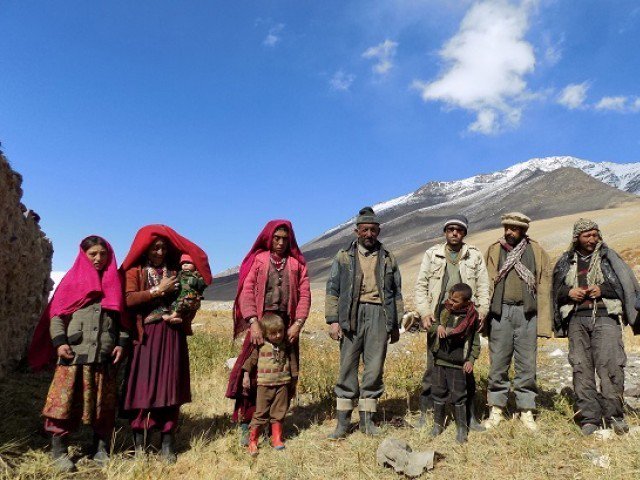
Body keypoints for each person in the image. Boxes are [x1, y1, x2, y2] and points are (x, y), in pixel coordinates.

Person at [28, 236, 130, 472]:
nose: (98, 259)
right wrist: (60, 342)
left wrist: (121, 344)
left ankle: (101, 447)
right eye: (93, 254)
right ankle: (59, 449)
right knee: (63, 404)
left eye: (103, 254)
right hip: (74, 354)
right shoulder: (72, 281)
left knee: (104, 405)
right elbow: (57, 315)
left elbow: (123, 319)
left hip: (104, 355)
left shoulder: (115, 283)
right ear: (83, 255)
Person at [121, 225, 212, 463]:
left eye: (163, 247)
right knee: (144, 387)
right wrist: (156, 291)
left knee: (170, 386)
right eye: (155, 247)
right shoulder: (135, 270)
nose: (160, 252)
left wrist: (186, 316)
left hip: (172, 335)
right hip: (148, 337)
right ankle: (140, 443)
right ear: (145, 249)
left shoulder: (176, 270)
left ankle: (167, 443)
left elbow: (191, 295)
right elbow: (129, 299)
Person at [226, 220, 310, 446]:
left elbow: (304, 294)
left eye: (285, 238)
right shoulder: (259, 261)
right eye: (277, 238)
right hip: (261, 324)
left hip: (286, 327)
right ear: (269, 239)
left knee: (283, 373)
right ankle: (247, 424)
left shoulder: (297, 264)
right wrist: (253, 322)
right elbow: (247, 291)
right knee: (252, 373)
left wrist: (298, 324)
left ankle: (275, 425)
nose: (281, 242)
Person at [553, 219, 640, 435]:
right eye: (587, 235)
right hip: (576, 319)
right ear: (577, 238)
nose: (592, 239)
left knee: (611, 366)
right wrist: (569, 293)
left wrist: (602, 289)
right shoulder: (566, 260)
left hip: (605, 317)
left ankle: (615, 415)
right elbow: (555, 290)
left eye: (595, 235)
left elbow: (624, 285)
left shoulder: (609, 259)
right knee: (581, 367)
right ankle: (589, 417)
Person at [326, 207, 403, 439]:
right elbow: (332, 290)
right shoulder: (342, 256)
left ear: (378, 231)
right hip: (351, 314)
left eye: (373, 230)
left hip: (379, 314)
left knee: (374, 367)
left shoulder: (388, 257)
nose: (369, 234)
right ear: (356, 231)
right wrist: (333, 320)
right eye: (364, 230)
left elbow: (397, 292)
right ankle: (343, 423)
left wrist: (396, 323)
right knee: (347, 366)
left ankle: (367, 421)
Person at [414, 214, 489, 431]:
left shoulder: (473, 255)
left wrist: (482, 310)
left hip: (466, 317)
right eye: (450, 229)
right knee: (433, 366)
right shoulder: (432, 254)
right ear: (445, 232)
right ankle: (428, 414)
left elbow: (483, 284)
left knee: (466, 367)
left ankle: (469, 415)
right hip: (439, 316)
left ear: (464, 233)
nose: (454, 233)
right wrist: (425, 312)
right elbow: (421, 285)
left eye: (459, 230)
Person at [483, 212, 552, 431]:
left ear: (523, 231)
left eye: (514, 228)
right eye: (507, 227)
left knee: (527, 363)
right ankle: (496, 408)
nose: (509, 232)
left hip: (527, 313)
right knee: (498, 363)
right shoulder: (494, 250)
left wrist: (544, 322)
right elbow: (485, 283)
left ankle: (526, 410)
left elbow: (544, 284)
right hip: (500, 313)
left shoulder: (537, 251)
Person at [428, 283, 481, 444]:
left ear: (466, 302)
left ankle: (461, 429)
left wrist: (471, 360)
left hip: (458, 364)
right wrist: (437, 328)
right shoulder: (443, 310)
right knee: (438, 391)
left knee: (459, 395)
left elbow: (476, 343)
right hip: (440, 361)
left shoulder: (471, 318)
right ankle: (437, 425)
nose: (450, 302)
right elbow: (432, 325)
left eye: (455, 301)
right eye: (450, 298)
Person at [241, 313, 295, 455]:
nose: (278, 335)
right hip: (264, 385)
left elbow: (293, 363)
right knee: (261, 413)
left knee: (279, 412)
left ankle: (276, 438)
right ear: (265, 333)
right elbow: (250, 362)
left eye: (280, 331)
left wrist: (294, 380)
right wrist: (246, 376)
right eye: (273, 333)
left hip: (282, 384)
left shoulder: (286, 345)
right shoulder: (261, 346)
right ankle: (253, 441)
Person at [161, 254, 208, 328]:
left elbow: (204, 283)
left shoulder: (197, 274)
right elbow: (177, 281)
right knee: (175, 302)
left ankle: (174, 315)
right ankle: (176, 317)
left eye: (188, 263)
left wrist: (195, 281)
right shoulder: (180, 274)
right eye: (183, 263)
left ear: (195, 265)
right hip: (182, 295)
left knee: (182, 303)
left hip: (191, 296)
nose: (185, 265)